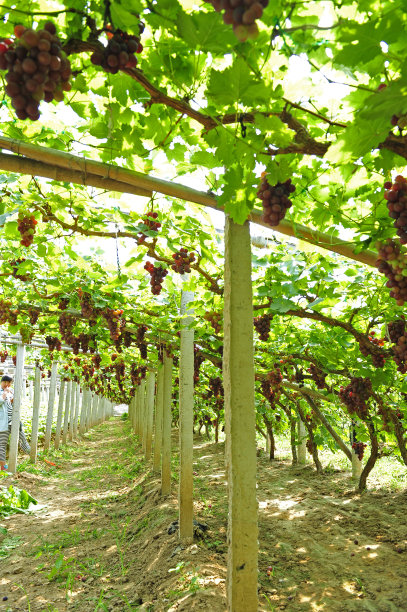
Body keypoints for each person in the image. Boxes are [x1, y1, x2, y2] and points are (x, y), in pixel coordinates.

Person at [0, 375, 30, 471]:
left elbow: (16, 405)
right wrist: (4, 394)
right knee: (2, 444)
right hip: (3, 423)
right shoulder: (2, 392)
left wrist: (13, 399)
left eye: (9, 383)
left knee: (22, 438)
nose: (8, 385)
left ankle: (33, 456)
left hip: (14, 421)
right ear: (3, 382)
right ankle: (3, 467)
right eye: (6, 383)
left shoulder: (10, 392)